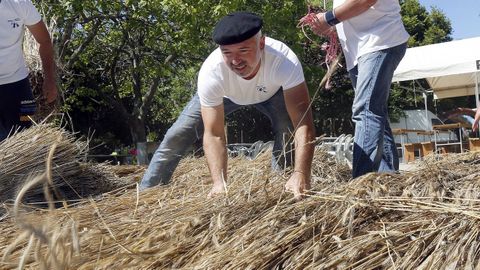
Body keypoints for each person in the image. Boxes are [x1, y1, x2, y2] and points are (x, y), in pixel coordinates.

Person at [140, 11, 315, 199]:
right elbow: (214, 133)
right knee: (178, 133)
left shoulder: (284, 61)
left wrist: (301, 174)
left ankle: (284, 184)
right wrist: (218, 183)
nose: (235, 61)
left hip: (272, 92)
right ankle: (147, 193)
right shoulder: (212, 71)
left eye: (243, 50)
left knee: (287, 127)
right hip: (225, 95)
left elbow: (303, 124)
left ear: (261, 43)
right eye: (227, 52)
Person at [305, 0, 409, 178]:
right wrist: (334, 27)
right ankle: (388, 178)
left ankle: (361, 181)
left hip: (379, 39)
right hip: (359, 50)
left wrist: (329, 18)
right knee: (374, 112)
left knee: (366, 111)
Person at [0, 0, 57, 141]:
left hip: (19, 87)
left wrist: (49, 80)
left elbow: (44, 41)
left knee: (27, 136)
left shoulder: (20, 3)